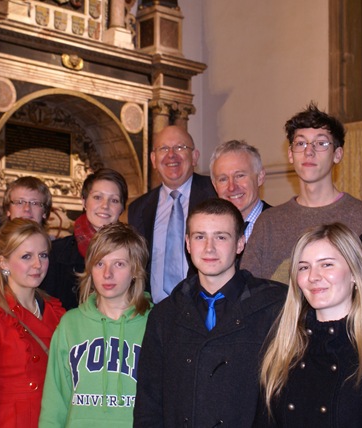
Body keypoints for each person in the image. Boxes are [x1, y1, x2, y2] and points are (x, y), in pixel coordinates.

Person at [255, 223, 362, 427]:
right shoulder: (283, 348)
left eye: (327, 264)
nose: (313, 276)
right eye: (304, 267)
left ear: (354, 273)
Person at [134, 198, 287, 427]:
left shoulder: (274, 307)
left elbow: (287, 398)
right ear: (188, 243)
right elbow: (149, 403)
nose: (209, 248)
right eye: (200, 237)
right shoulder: (165, 315)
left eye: (221, 237)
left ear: (240, 243)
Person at [242, 102, 362, 283]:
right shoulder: (268, 222)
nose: (309, 152)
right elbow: (248, 289)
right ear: (290, 154)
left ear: (337, 154)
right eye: (300, 143)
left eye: (320, 143)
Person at [39, 222, 152, 427]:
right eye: (100, 264)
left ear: (136, 269)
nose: (107, 274)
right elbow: (54, 403)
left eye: (119, 264)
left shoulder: (156, 323)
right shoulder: (70, 324)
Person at [0, 218, 65, 427]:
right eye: (27, 256)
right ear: (3, 262)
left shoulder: (56, 311)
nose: (38, 264)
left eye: (43, 255)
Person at [128, 125, 217, 303]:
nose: (171, 155)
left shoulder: (216, 193)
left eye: (180, 147)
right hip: (153, 309)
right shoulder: (138, 208)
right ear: (153, 159)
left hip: (207, 306)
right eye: (163, 148)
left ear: (194, 157)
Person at [40, 168, 128, 310]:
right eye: (97, 197)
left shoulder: (133, 253)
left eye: (114, 200)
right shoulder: (56, 253)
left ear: (122, 208)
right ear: (84, 201)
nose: (105, 206)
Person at [210, 139, 271, 241]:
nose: (232, 187)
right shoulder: (208, 231)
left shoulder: (282, 225)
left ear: (260, 177)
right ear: (215, 185)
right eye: (223, 179)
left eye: (239, 176)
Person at [0, 175, 53, 261]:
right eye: (19, 202)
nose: (27, 208)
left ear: (45, 212)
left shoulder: (59, 251)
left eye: (34, 203)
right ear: (8, 210)